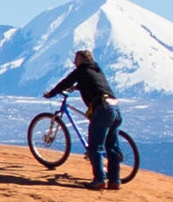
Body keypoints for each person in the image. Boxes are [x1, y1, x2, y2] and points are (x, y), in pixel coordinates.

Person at [44, 49, 124, 190]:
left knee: (95, 147)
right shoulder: (96, 69)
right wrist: (77, 87)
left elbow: (65, 82)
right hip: (115, 108)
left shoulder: (82, 70)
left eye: (76, 59)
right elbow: (94, 84)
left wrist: (51, 93)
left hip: (103, 109)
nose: (74, 62)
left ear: (82, 60)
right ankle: (115, 181)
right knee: (112, 147)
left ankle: (99, 180)